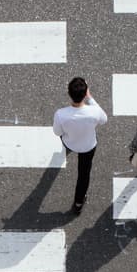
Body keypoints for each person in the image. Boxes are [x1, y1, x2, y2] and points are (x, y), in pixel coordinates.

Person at [52, 76, 107, 215]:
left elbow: (57, 132)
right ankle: (78, 202)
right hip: (88, 146)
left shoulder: (61, 114)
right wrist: (91, 98)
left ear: (69, 93)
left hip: (70, 143)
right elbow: (104, 120)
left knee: (65, 140)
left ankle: (67, 151)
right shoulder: (94, 111)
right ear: (85, 94)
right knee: (84, 174)